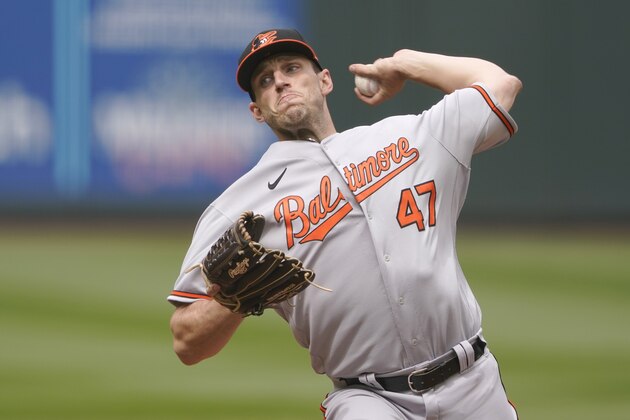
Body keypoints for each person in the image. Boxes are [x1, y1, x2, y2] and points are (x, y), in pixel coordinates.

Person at [168, 28, 522, 419]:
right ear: (257, 111)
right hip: (367, 398)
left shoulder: (409, 137)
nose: (280, 81)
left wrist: (405, 62)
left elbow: (500, 85)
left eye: (291, 68)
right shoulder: (238, 206)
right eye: (264, 81)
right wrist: (232, 300)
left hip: (472, 381)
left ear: (325, 81)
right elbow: (187, 341)